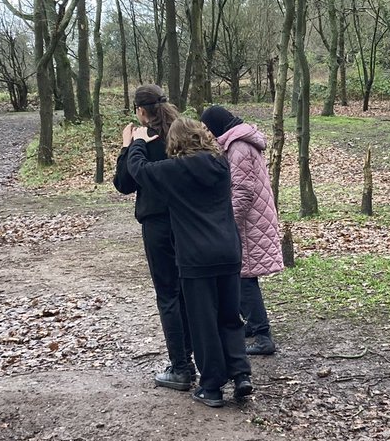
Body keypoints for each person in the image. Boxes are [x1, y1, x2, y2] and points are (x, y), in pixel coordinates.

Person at [127, 116, 253, 409]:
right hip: (229, 251)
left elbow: (139, 171)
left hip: (196, 258)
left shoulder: (174, 170)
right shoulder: (221, 164)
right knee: (230, 317)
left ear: (176, 141)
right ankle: (241, 373)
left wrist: (137, 143)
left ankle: (211, 387)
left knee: (203, 323)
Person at [113, 86, 195, 392]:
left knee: (168, 294)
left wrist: (127, 145)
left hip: (158, 224)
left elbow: (124, 183)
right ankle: (196, 358)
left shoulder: (144, 140)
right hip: (187, 221)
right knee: (187, 290)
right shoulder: (182, 133)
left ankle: (180, 367)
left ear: (140, 111)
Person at [200, 105, 283, 357]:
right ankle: (252, 325)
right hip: (251, 220)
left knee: (245, 278)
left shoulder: (238, 147)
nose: (205, 133)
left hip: (248, 223)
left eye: (206, 127)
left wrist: (229, 224)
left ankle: (262, 335)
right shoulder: (237, 142)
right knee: (241, 276)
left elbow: (243, 191)